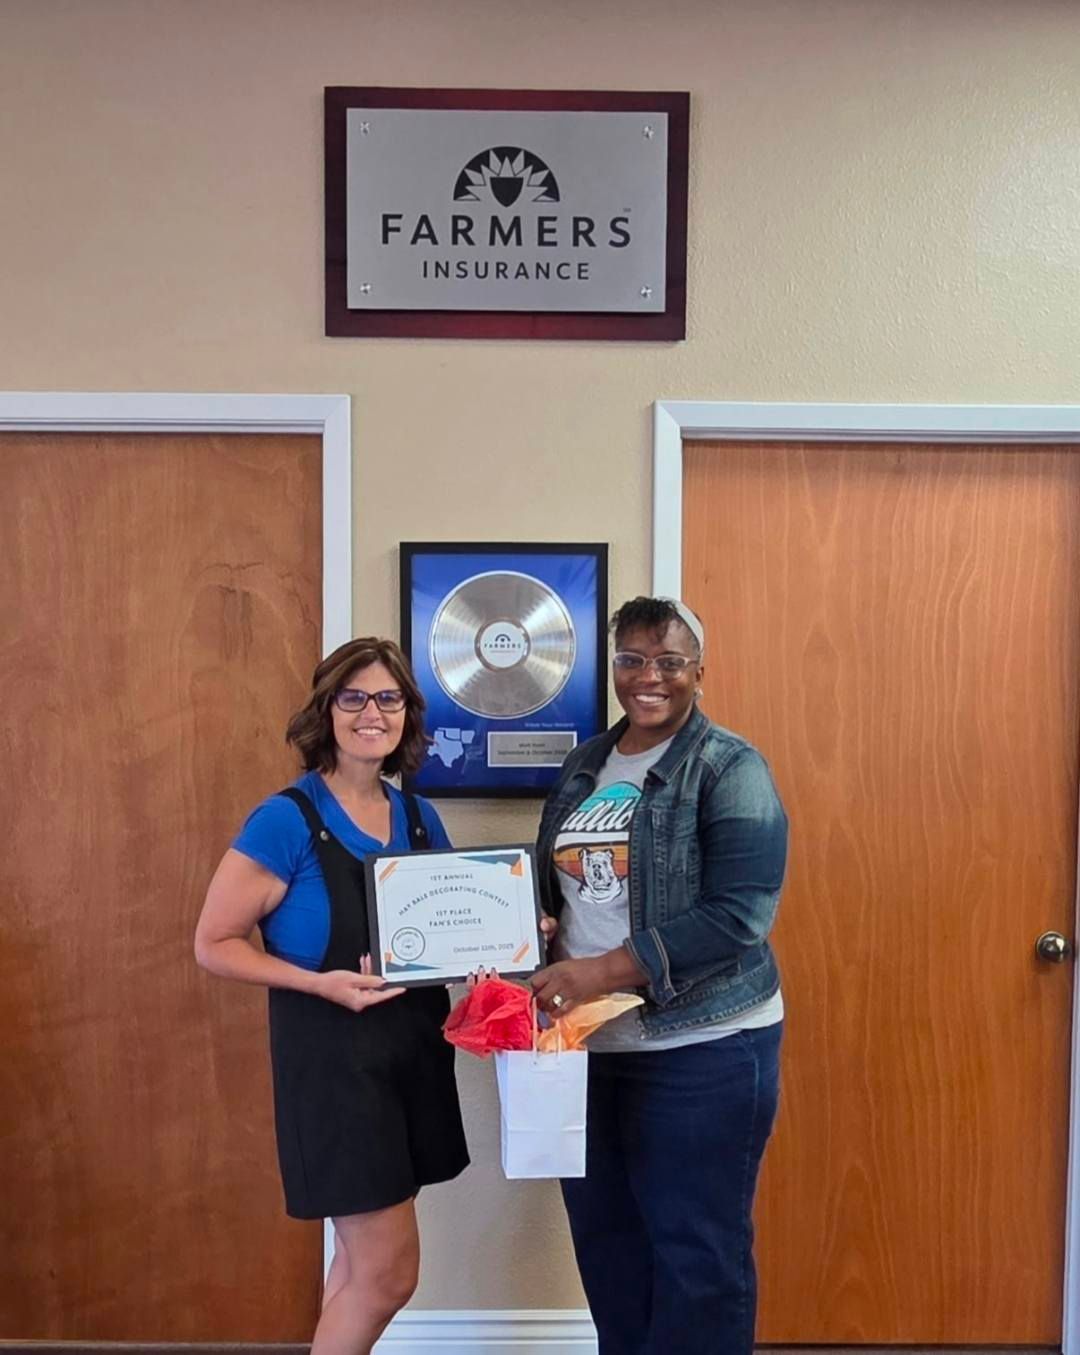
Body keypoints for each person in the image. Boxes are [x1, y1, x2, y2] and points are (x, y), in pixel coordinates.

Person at [194, 637, 469, 1355]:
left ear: (407, 714)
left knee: (355, 1267)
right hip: (335, 1068)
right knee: (387, 1273)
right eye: (354, 697)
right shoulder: (285, 819)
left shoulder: (417, 819)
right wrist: (318, 982)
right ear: (327, 710)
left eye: (388, 698)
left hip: (410, 1055)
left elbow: (451, 929)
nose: (371, 712)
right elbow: (214, 942)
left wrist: (509, 938)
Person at [530, 596, 787, 1355]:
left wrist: (599, 970)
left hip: (703, 1048)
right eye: (632, 659)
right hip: (591, 1047)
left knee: (697, 1257)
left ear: (698, 671)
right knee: (609, 1248)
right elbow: (570, 890)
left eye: (669, 660)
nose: (649, 676)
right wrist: (535, 936)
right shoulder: (586, 764)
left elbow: (740, 913)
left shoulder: (730, 767)